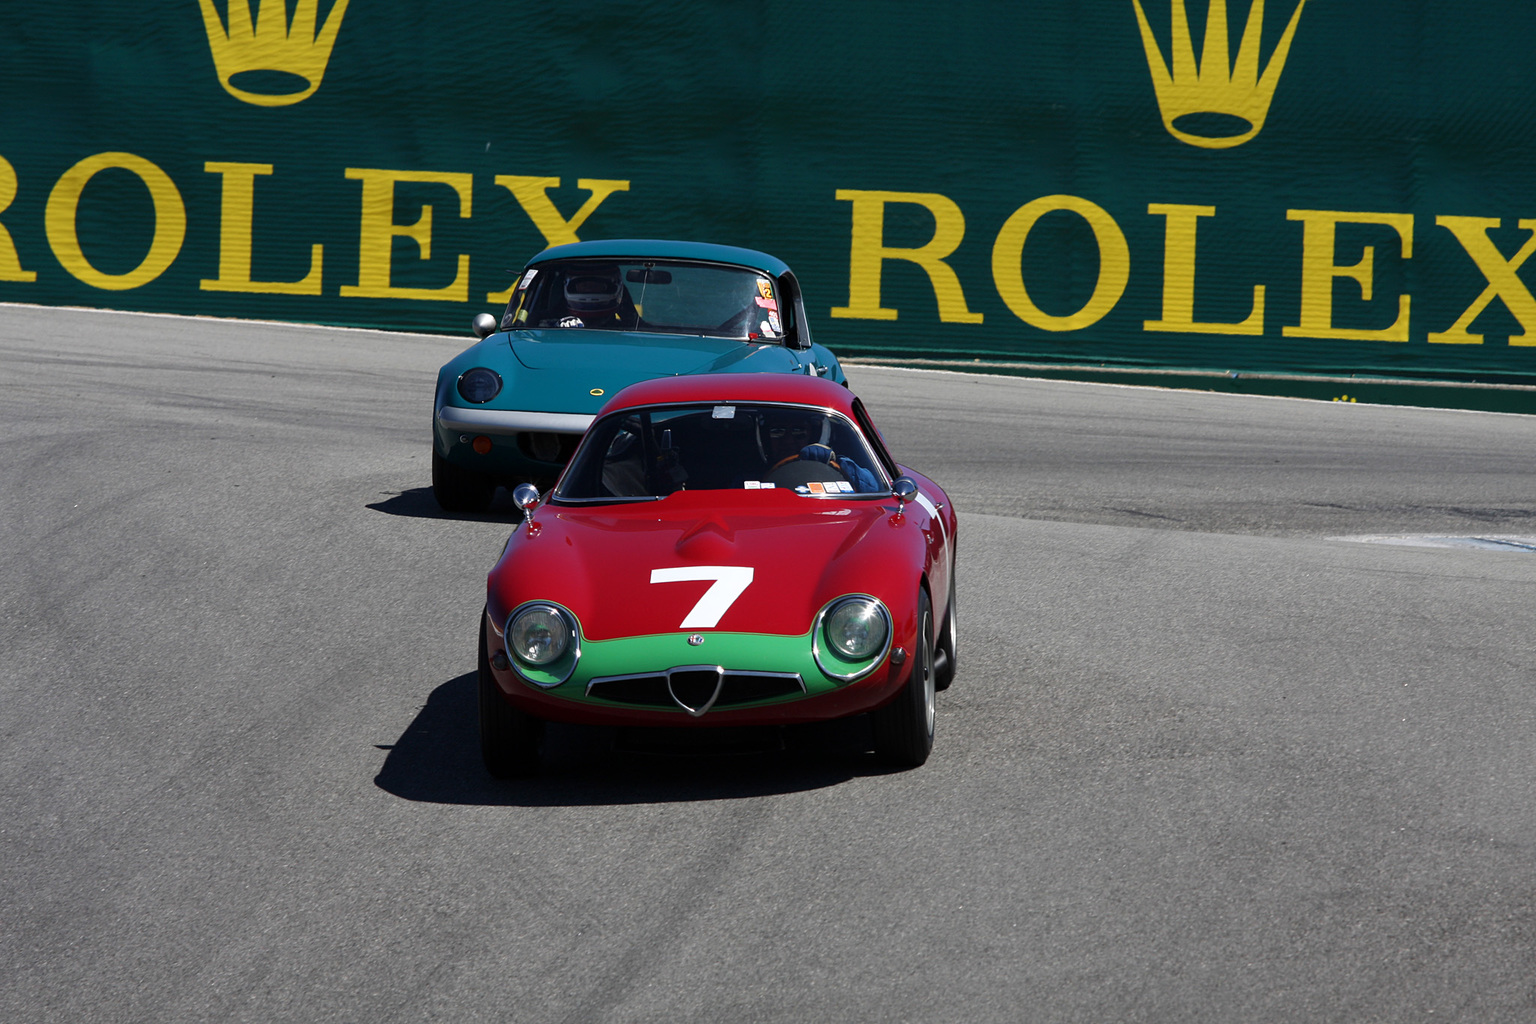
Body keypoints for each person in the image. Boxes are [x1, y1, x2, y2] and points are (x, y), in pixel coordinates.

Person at [549, 265, 639, 329]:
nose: (589, 290)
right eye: (584, 286)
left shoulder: (631, 332)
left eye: (595, 286)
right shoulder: (548, 328)